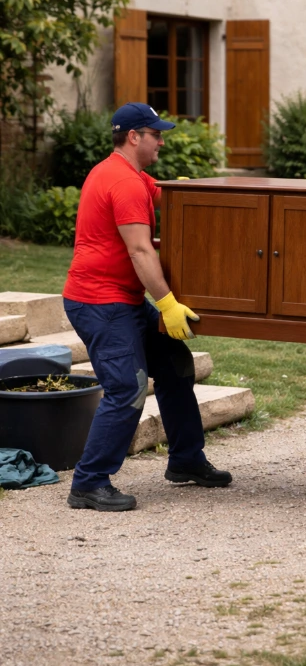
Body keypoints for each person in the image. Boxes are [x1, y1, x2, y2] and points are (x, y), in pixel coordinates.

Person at [62, 102, 230, 512]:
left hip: (123, 300)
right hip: (100, 303)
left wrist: (191, 193)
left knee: (175, 366)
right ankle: (88, 483)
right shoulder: (121, 182)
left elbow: (163, 196)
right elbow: (140, 250)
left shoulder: (129, 175)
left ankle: (186, 460)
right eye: (156, 134)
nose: (162, 140)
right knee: (127, 387)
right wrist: (168, 304)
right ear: (134, 136)